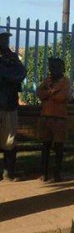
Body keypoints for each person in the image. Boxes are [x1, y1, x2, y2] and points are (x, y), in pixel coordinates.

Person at [36, 57, 70, 182]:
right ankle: (44, 172)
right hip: (46, 117)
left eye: (57, 67)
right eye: (52, 68)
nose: (54, 70)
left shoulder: (65, 81)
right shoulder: (47, 80)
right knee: (45, 146)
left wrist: (49, 93)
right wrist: (52, 92)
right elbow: (39, 93)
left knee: (59, 147)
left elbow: (62, 97)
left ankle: (57, 173)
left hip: (59, 118)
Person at [0, 28, 26, 182]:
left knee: (9, 140)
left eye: (6, 39)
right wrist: (11, 76)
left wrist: (9, 76)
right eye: (2, 39)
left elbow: (22, 72)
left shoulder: (12, 57)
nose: (5, 41)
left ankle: (8, 172)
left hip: (9, 104)